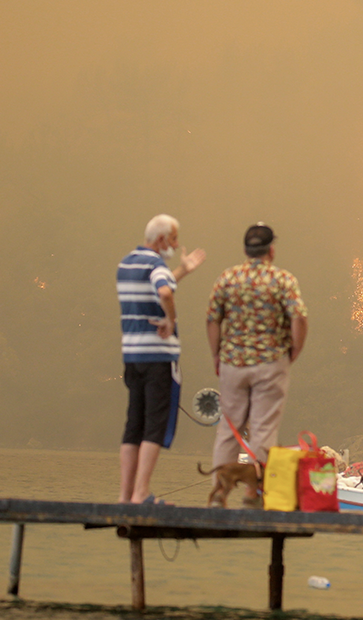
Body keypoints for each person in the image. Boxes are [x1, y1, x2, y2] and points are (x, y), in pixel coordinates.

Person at [116, 214, 205, 504]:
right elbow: (164, 291)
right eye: (175, 238)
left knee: (133, 425)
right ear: (162, 239)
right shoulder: (155, 264)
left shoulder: (126, 263)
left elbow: (159, 286)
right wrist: (171, 319)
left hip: (132, 356)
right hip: (158, 358)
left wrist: (182, 270)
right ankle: (141, 492)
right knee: (154, 424)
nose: (176, 244)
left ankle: (125, 495)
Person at [206, 223, 309, 472]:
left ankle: (219, 494)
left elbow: (212, 319)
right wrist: (295, 349)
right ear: (271, 250)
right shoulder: (282, 280)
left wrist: (217, 354)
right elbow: (299, 317)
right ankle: (256, 494)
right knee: (263, 429)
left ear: (245, 250)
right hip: (271, 363)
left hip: (233, 363)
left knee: (229, 428)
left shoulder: (228, 278)